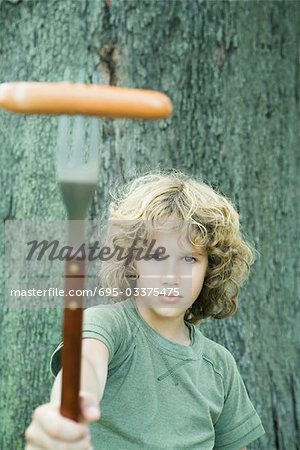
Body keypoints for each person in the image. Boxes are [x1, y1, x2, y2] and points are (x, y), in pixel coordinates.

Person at [25, 170, 265, 449]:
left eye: (189, 258)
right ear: (131, 262)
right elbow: (86, 364)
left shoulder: (220, 365)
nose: (171, 275)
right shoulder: (109, 324)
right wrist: (69, 407)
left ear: (210, 269)